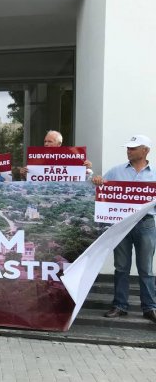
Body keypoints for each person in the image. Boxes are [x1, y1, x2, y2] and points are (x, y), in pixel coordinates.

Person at [92, 135, 156, 323]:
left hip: (145, 223)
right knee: (121, 266)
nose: (129, 150)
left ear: (145, 150)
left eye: (133, 148)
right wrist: (96, 180)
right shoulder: (116, 171)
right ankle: (120, 305)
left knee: (146, 268)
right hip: (121, 224)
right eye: (128, 147)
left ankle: (149, 307)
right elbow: (101, 190)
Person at [19, 130, 93, 179]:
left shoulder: (71, 157)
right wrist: (24, 173)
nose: (46, 144)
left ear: (59, 144)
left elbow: (86, 176)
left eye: (49, 141)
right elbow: (31, 179)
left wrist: (86, 168)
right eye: (45, 141)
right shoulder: (37, 158)